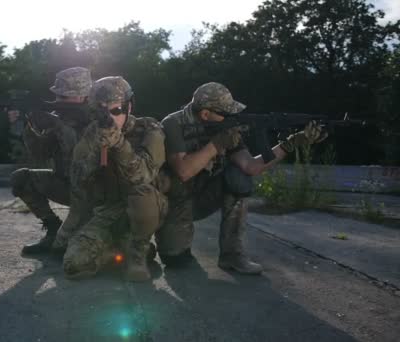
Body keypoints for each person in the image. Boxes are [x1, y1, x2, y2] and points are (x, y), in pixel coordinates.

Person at [157, 82, 327, 274]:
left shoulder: (225, 127)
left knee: (238, 176)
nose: (233, 118)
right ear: (205, 114)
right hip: (173, 204)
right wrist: (218, 143)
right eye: (227, 114)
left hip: (204, 196)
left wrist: (292, 143)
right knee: (176, 261)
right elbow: (183, 171)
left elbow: (250, 166)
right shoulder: (173, 123)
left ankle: (232, 255)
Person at [61, 76, 168, 282]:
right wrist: (95, 151)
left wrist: (118, 144)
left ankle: (137, 255)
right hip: (106, 213)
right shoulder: (91, 134)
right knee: (73, 265)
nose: (110, 117)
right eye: (101, 111)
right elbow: (77, 180)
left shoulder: (149, 130)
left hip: (144, 209)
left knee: (143, 194)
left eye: (116, 110)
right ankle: (118, 252)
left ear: (130, 107)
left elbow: (144, 177)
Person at [10, 67, 92, 254]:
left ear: (82, 97)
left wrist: (57, 124)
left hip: (94, 194)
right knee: (21, 179)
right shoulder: (60, 119)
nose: (57, 101)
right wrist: (27, 125)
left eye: (64, 97)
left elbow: (79, 152)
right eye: (57, 95)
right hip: (66, 186)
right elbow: (40, 153)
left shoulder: (100, 118)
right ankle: (53, 230)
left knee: (68, 252)